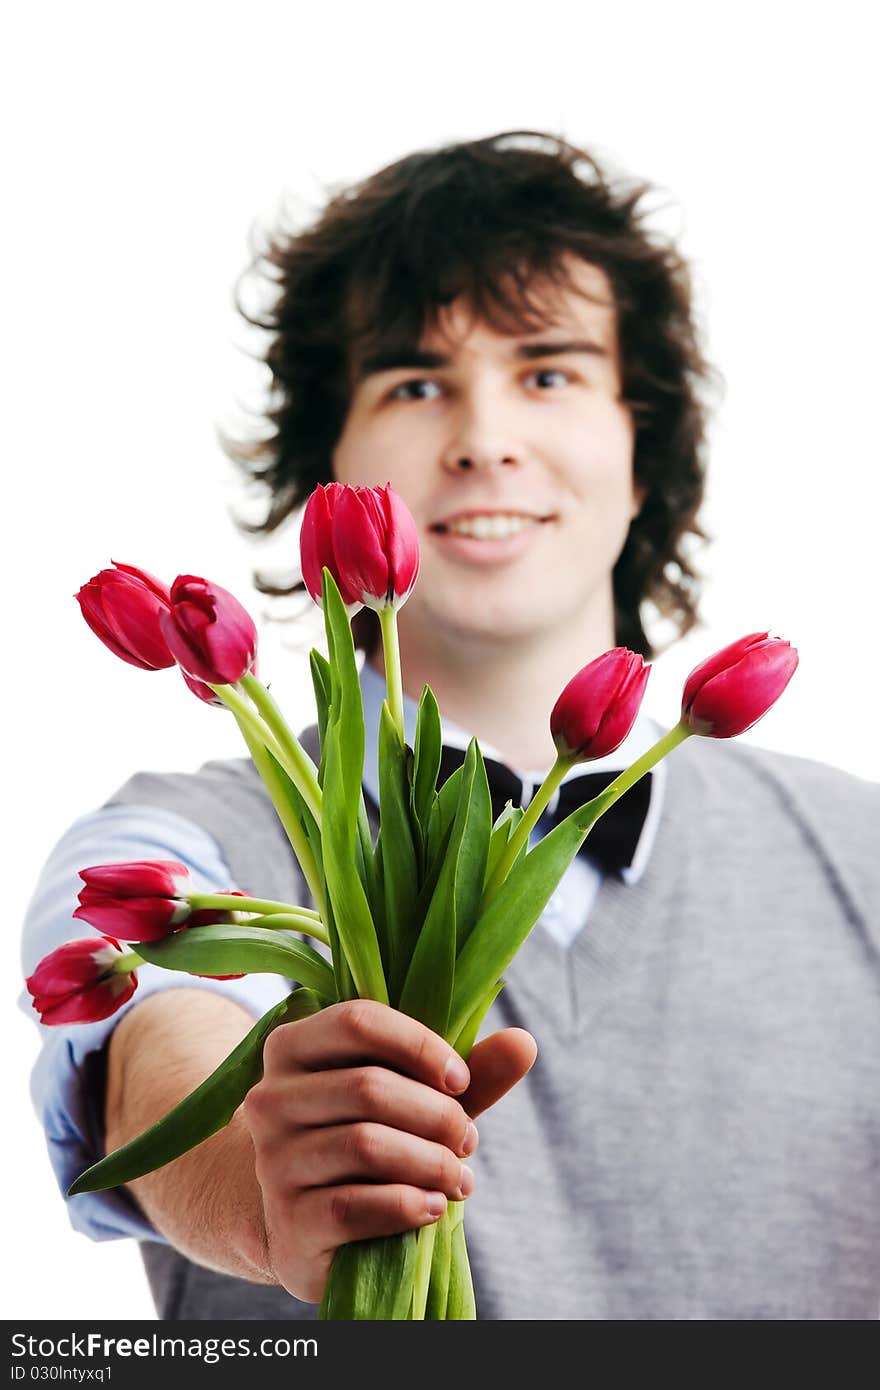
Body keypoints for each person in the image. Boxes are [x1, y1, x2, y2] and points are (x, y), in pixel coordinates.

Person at [20, 131, 880, 1321]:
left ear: (642, 451)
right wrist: (257, 1192)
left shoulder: (858, 854)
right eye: (415, 383)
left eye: (549, 372)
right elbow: (143, 1043)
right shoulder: (180, 837)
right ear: (334, 458)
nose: (483, 437)